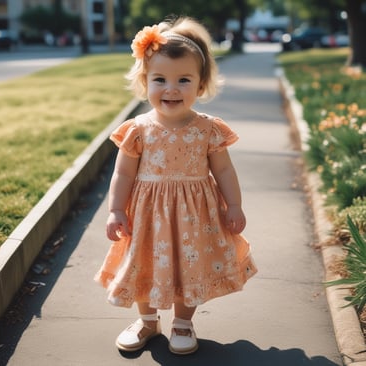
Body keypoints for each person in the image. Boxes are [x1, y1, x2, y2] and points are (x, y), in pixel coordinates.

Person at [94, 15, 257, 355]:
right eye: (160, 80)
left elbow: (224, 171)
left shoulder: (208, 129)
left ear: (200, 85)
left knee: (190, 264)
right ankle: (147, 320)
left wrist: (235, 205)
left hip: (196, 215)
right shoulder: (137, 129)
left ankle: (183, 321)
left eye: (183, 80)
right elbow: (123, 174)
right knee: (144, 262)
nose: (171, 89)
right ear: (145, 82)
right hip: (147, 214)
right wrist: (115, 210)